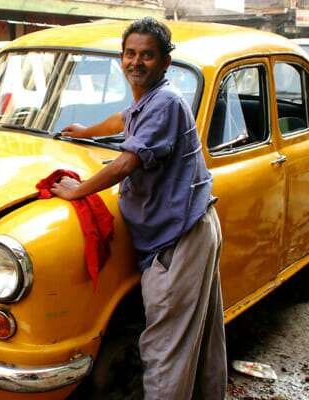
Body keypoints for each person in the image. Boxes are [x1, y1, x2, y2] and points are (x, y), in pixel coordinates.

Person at [51, 17, 227, 400]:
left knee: (164, 347)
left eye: (147, 55)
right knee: (198, 335)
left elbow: (127, 162)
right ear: (121, 57)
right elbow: (123, 120)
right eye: (130, 53)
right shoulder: (147, 102)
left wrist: (78, 190)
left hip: (179, 239)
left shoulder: (164, 102)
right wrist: (86, 132)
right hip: (190, 227)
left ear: (165, 62)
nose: (136, 62)